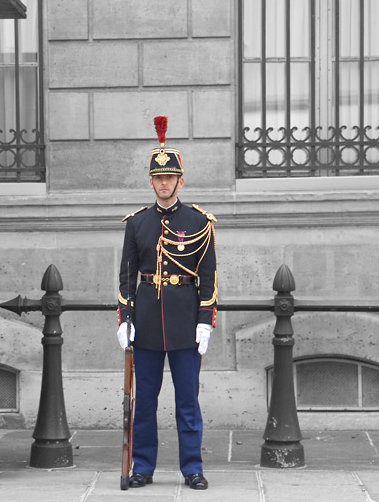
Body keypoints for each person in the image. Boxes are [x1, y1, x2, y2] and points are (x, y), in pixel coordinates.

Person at [116, 116, 217, 491]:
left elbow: (208, 276)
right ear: (151, 181)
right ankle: (142, 466)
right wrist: (125, 318)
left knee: (187, 404)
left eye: (169, 177)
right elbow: (127, 277)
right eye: (158, 178)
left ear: (180, 180)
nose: (163, 183)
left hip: (185, 321)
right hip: (144, 323)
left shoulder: (199, 221)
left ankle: (192, 467)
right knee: (144, 405)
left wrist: (205, 320)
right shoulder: (136, 223)